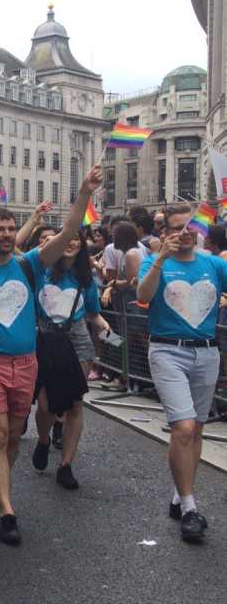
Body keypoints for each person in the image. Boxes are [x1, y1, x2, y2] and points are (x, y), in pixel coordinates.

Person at [0, 165, 101, 546]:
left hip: (27, 363)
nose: (6, 234)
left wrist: (84, 193)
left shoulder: (30, 264)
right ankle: (8, 511)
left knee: (13, 435)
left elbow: (69, 232)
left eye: (11, 229)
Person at [136, 204, 227, 543]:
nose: (184, 233)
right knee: (183, 427)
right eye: (176, 228)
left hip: (207, 352)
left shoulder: (214, 264)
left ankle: (179, 494)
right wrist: (160, 259)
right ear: (165, 233)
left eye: (189, 227)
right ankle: (190, 508)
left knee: (197, 429)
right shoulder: (153, 261)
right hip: (167, 351)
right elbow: (143, 296)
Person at [30, 229, 110, 490]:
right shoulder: (40, 272)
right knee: (46, 405)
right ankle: (43, 440)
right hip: (44, 339)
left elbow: (93, 314)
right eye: (67, 237)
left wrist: (106, 328)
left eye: (77, 239)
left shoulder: (85, 278)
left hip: (77, 341)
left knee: (75, 404)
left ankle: (66, 465)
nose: (72, 242)